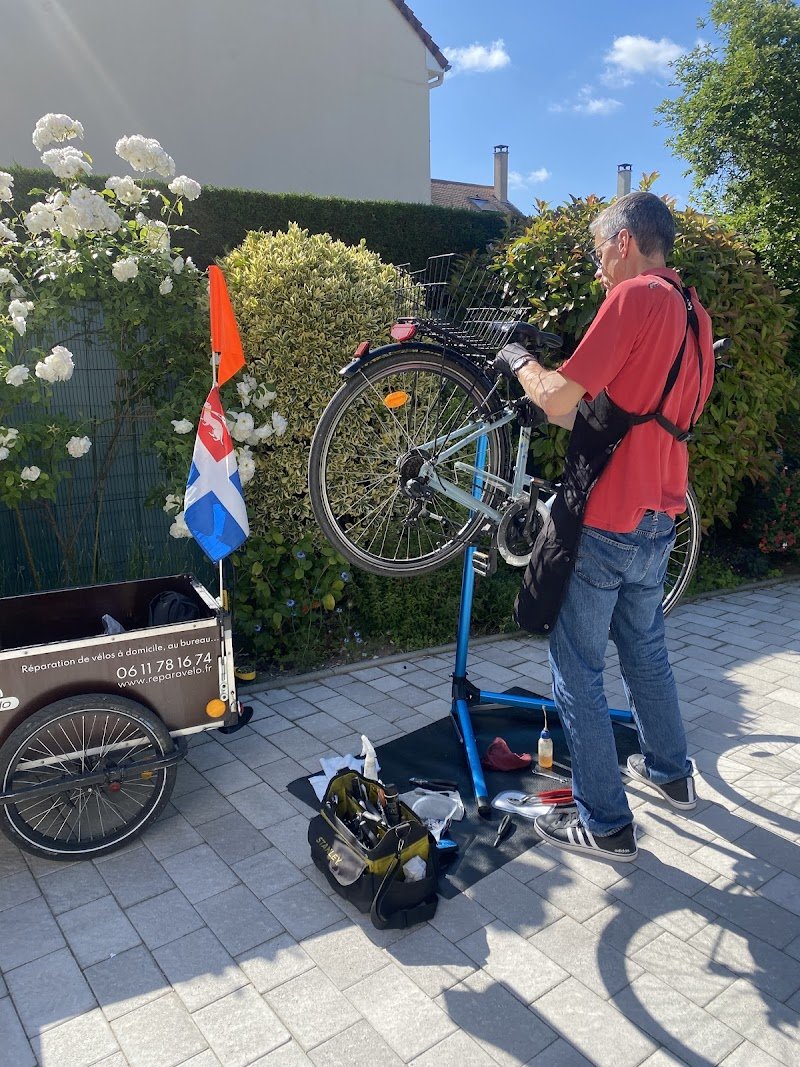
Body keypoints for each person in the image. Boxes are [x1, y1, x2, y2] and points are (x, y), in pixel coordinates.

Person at [492, 191, 715, 861]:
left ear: (624, 243)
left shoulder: (635, 298)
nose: (597, 272)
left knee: (576, 664)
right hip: (660, 515)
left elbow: (561, 400)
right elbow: (627, 410)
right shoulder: (693, 312)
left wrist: (518, 361)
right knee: (646, 648)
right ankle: (672, 774)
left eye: (598, 255)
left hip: (609, 516)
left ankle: (605, 823)